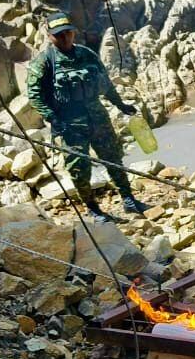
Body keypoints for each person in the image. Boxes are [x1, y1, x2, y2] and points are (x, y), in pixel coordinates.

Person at [26, 12, 149, 222]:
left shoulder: (86, 54)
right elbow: (34, 94)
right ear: (49, 36)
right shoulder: (45, 61)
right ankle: (93, 209)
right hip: (70, 125)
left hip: (98, 117)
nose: (65, 38)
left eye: (68, 33)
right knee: (79, 168)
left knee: (113, 158)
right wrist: (52, 117)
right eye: (59, 35)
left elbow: (105, 84)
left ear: (73, 32)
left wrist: (120, 104)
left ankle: (129, 199)